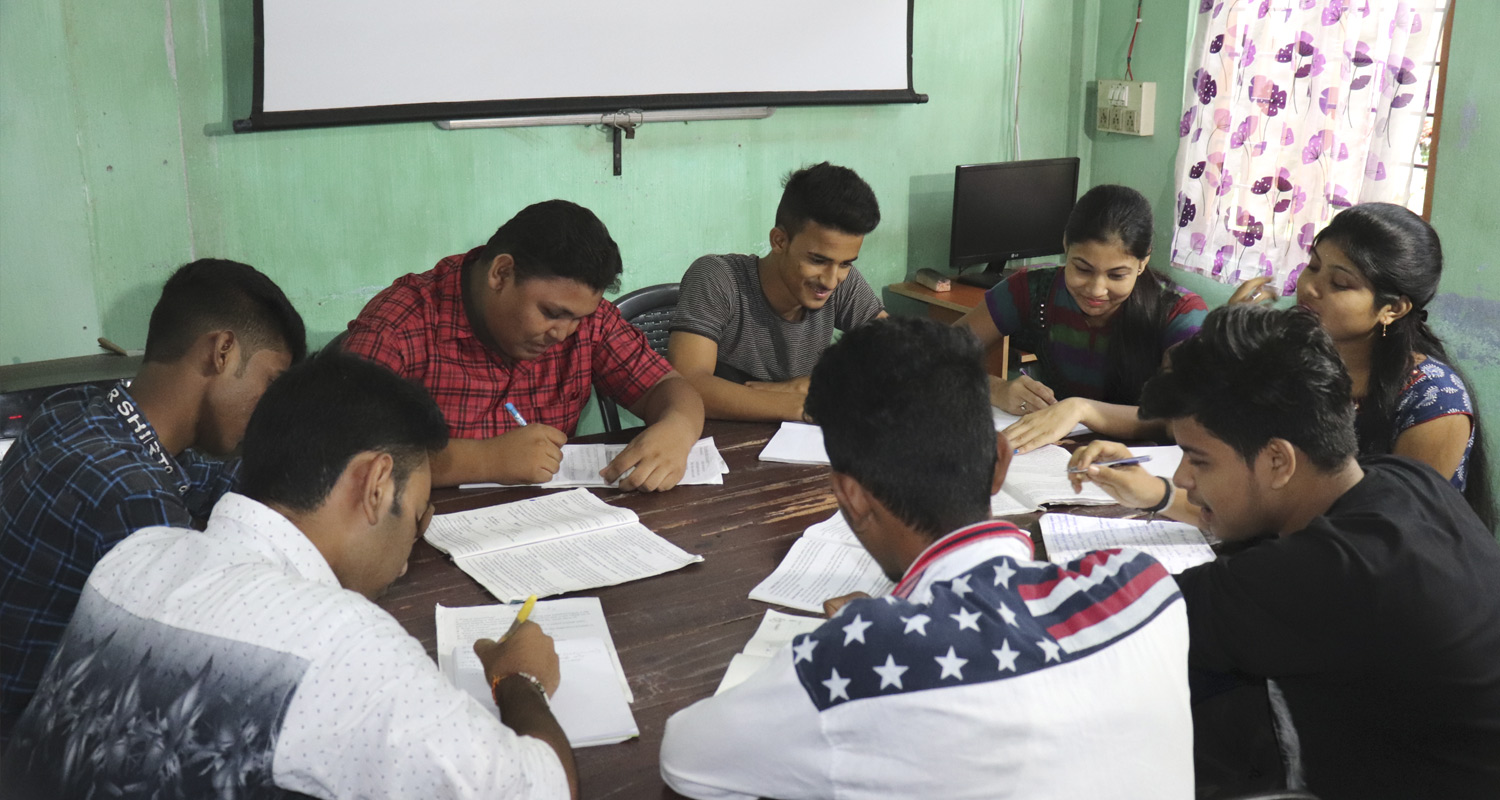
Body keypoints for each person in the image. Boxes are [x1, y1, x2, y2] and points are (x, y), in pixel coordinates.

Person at [1, 351, 577, 799]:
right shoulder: (344, 644)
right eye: (416, 514)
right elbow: (542, 789)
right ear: (376, 486)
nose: (410, 547)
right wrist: (519, 680)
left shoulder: (134, 558)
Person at [658, 317, 1192, 800]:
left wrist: (865, 635)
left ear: (850, 496)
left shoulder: (858, 658)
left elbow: (686, 759)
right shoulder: (1146, 588)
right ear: (1000, 463)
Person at [1084, 304, 1500, 798]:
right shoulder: (1405, 482)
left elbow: (1115, 617)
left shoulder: (1331, 571)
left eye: (1198, 460)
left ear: (1278, 461)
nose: (1182, 478)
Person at [0, 258, 306, 744]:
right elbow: (202, 684)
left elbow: (200, 475)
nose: (268, 409)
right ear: (222, 351)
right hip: (32, 754)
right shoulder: (135, 501)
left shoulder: (74, 410)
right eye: (270, 382)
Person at [344, 200, 704, 490]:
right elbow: (343, 451)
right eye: (551, 313)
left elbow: (666, 387)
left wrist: (679, 428)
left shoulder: (585, 321)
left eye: (577, 318)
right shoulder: (400, 324)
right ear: (501, 273)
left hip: (553, 524)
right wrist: (484, 460)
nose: (563, 333)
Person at [1231, 202, 1493, 527]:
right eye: (1313, 266)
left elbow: (1389, 530)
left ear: (1393, 309)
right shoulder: (1294, 358)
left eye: (1340, 283)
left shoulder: (1434, 400)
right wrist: (1230, 340)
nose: (1309, 288)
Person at [954, 184, 1208, 453]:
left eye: (1117, 275)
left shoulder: (1180, 313)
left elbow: (1182, 418)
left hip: (1144, 466)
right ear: (1066, 245)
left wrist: (1081, 409)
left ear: (1143, 262)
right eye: (1082, 269)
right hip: (1056, 458)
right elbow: (935, 357)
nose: (1096, 290)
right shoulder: (1033, 289)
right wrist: (997, 389)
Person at [668, 162, 887, 421]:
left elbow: (896, 356)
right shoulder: (717, 278)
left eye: (846, 264)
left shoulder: (843, 283)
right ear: (779, 241)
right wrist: (807, 405)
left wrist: (808, 385)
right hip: (722, 438)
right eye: (817, 260)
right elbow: (687, 385)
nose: (830, 281)